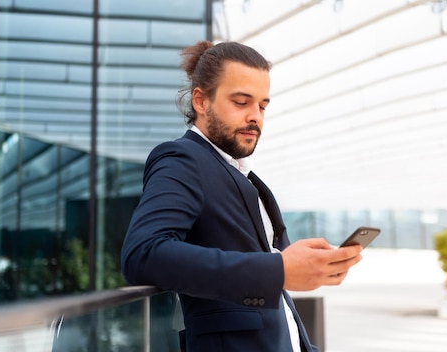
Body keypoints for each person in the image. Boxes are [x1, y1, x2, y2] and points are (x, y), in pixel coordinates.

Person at [121, 40, 363, 352]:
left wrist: (307, 263)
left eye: (262, 106)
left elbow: (266, 285)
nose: (256, 117)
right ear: (200, 100)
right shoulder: (182, 159)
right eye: (241, 102)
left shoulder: (247, 177)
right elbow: (143, 253)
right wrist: (279, 270)